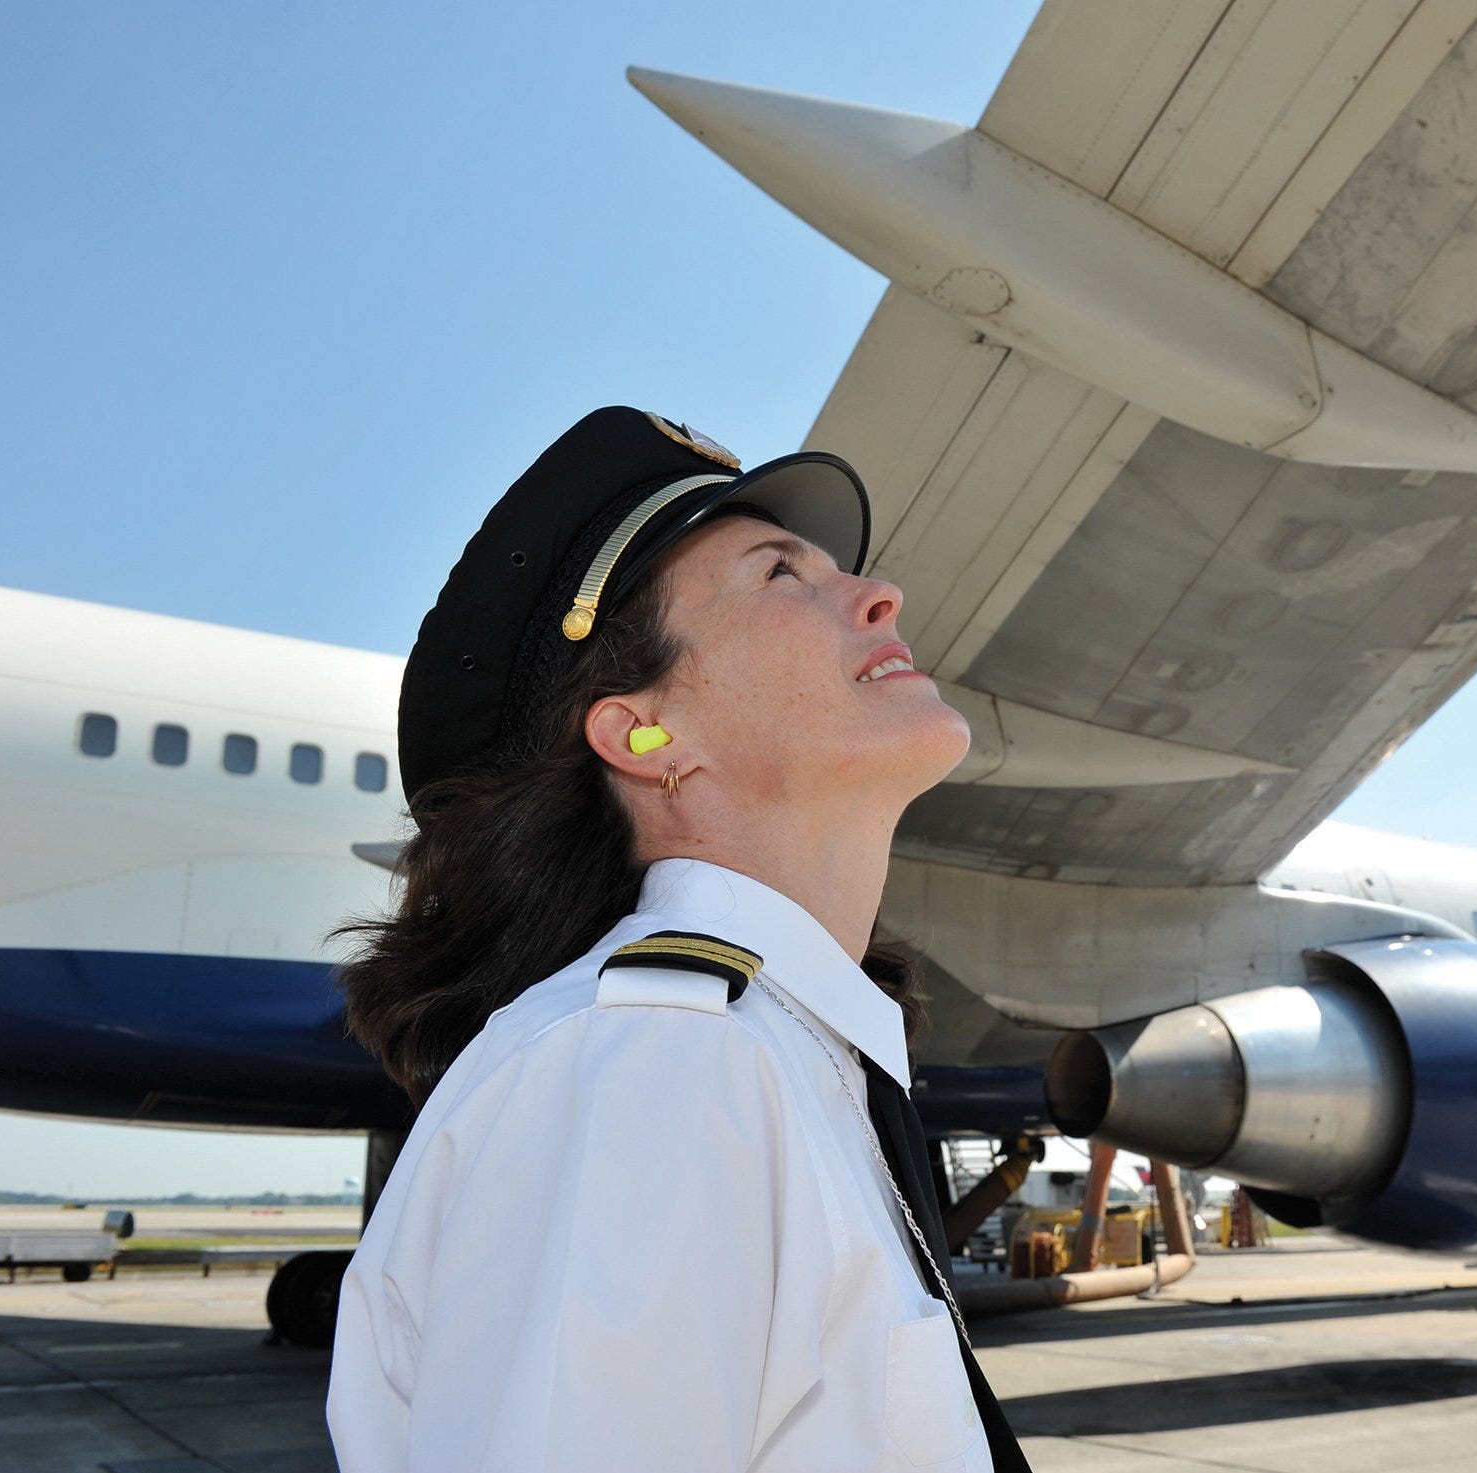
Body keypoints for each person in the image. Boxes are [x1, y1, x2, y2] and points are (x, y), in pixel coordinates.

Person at [325, 407, 1030, 1472]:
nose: (879, 593)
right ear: (643, 735)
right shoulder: (662, 1065)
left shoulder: (758, 1055)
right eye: (781, 574)